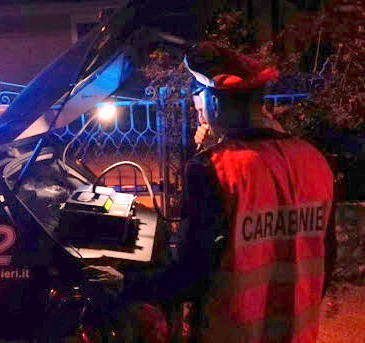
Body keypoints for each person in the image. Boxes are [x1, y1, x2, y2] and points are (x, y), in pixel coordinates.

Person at [85, 41, 336, 343]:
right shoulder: (314, 160)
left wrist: (124, 284)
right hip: (298, 333)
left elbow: (191, 274)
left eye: (201, 101)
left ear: (215, 103)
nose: (199, 112)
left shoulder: (213, 169)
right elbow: (326, 258)